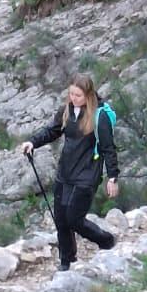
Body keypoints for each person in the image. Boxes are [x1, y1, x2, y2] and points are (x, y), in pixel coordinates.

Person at [19, 71, 120, 271]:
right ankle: (67, 261)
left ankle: (106, 241)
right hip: (65, 173)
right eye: (71, 94)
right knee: (61, 220)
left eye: (78, 96)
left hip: (87, 175)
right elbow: (52, 131)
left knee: (74, 218)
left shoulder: (99, 118)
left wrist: (113, 177)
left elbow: (109, 148)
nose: (73, 99)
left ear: (89, 96)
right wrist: (33, 142)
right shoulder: (66, 110)